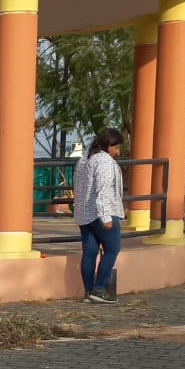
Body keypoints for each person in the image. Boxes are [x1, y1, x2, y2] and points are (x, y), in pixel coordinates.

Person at [73, 127, 126, 302]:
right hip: (102, 213)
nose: (117, 152)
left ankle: (89, 292)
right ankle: (99, 289)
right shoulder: (104, 161)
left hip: (84, 215)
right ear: (109, 146)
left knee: (89, 252)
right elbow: (103, 189)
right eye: (116, 147)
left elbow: (78, 187)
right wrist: (106, 216)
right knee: (112, 249)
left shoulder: (83, 160)